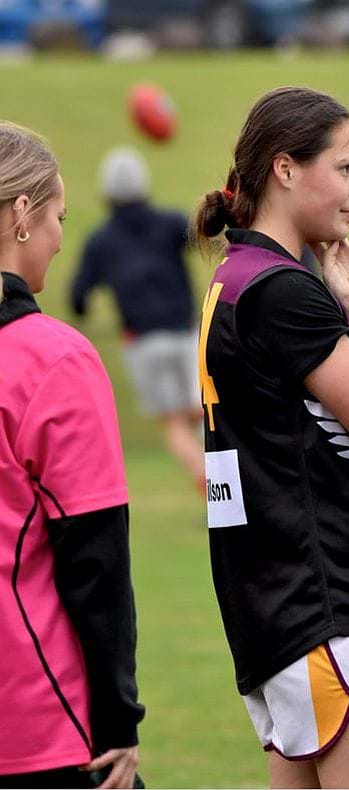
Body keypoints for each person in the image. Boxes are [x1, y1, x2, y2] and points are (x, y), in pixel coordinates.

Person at [192, 87, 349, 788]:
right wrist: (347, 313)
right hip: (333, 608)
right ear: (286, 169)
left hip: (277, 609)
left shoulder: (236, 278)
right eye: (345, 167)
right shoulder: (284, 293)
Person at [0, 122, 145, 788]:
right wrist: (118, 723)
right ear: (22, 215)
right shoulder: (53, 360)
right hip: (37, 723)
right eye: (59, 216)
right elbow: (97, 557)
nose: (61, 238)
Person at [70, 146, 204, 491]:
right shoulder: (170, 222)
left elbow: (78, 296)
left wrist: (84, 309)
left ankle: (207, 481)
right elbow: (201, 239)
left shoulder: (101, 242)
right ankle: (222, 476)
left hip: (142, 342)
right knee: (199, 408)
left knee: (173, 423)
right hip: (187, 334)